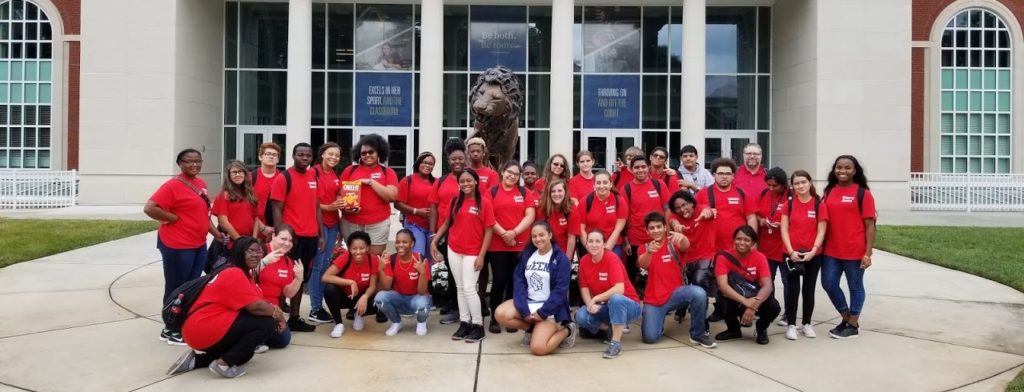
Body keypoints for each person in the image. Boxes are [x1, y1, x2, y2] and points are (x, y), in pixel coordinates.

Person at [166, 236, 284, 378]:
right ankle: (223, 364)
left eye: (259, 252)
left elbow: (257, 303)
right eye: (250, 251)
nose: (256, 255)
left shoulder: (241, 272)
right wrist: (279, 315)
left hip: (201, 327)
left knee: (244, 354)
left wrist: (273, 310)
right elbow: (256, 307)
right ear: (240, 252)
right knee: (266, 324)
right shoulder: (234, 273)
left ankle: (196, 361)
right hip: (202, 326)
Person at [145, 148, 223, 345]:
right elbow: (150, 208)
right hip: (177, 245)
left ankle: (182, 322)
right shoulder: (172, 186)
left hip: (197, 243)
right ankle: (170, 329)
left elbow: (203, 216)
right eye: (189, 161)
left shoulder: (200, 184)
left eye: (198, 161)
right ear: (180, 163)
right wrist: (173, 218)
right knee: (176, 287)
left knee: (192, 286)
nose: (194, 164)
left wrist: (217, 235)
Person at [430, 168, 494, 342]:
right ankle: (465, 323)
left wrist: (481, 255)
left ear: (476, 182)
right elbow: (446, 224)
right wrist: (435, 241)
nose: (466, 184)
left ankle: (478, 326)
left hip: (473, 252)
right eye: (462, 181)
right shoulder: (455, 201)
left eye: (469, 181)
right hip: (454, 249)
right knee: (459, 288)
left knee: (469, 288)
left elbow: (489, 231)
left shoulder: (485, 203)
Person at [495, 221, 578, 356]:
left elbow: (560, 291)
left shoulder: (560, 259)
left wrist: (543, 312)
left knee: (538, 349)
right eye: (534, 236)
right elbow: (519, 282)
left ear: (550, 235)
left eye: (541, 235)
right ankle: (532, 329)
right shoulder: (527, 255)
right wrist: (524, 311)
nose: (538, 239)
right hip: (530, 303)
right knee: (501, 313)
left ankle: (567, 330)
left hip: (550, 310)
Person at [637, 212, 716, 348]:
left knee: (699, 293)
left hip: (676, 294)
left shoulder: (673, 243)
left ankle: (698, 334)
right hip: (653, 300)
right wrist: (649, 252)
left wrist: (683, 237)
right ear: (647, 231)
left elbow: (685, 245)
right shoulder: (644, 248)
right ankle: (657, 321)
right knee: (650, 338)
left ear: (665, 228)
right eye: (652, 228)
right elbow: (643, 264)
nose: (656, 230)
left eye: (659, 227)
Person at [821, 155, 876, 339]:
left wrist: (867, 253)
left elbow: (870, 225)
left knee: (855, 286)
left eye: (847, 168)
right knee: (828, 283)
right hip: (831, 250)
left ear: (854, 171)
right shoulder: (829, 190)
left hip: (854, 251)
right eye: (839, 167)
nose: (842, 171)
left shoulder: (863, 193)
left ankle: (852, 325)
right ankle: (848, 318)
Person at [269, 143, 321, 333]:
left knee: (300, 278)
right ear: (293, 156)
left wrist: (321, 234)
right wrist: (281, 237)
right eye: (301, 154)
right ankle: (277, 317)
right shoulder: (284, 178)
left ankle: (295, 318)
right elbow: (276, 208)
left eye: (308, 155)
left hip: (311, 236)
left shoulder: (313, 176)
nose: (305, 158)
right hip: (292, 238)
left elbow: (316, 207)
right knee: (283, 277)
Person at [485, 160, 537, 334]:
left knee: (515, 282)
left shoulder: (524, 192)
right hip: (496, 245)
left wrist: (513, 233)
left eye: (516, 174)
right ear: (502, 171)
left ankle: (510, 318)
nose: (512, 176)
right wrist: (505, 235)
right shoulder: (491, 192)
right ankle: (494, 318)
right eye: (509, 172)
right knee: (499, 280)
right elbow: (488, 216)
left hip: (519, 245)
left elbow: (530, 215)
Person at [575, 230, 642, 359]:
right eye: (591, 241)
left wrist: (595, 298)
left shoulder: (611, 258)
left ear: (604, 244)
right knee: (581, 316)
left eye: (598, 241)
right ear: (586, 244)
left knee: (615, 299)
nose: (594, 245)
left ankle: (615, 344)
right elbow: (584, 287)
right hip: (606, 306)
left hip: (629, 306)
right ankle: (608, 329)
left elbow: (619, 289)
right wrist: (589, 304)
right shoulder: (584, 261)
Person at [429, 139, 475, 325]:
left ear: (466, 160)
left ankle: (458, 309)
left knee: (464, 275)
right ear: (448, 161)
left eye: (460, 159)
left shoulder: (470, 180)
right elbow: (433, 208)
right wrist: (433, 235)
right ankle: (453, 304)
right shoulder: (440, 181)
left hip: (466, 233)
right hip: (444, 233)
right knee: (450, 271)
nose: (457, 162)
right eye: (453, 159)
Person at [780, 170, 828, 340]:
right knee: (793, 290)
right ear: (792, 186)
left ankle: (807, 323)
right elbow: (784, 229)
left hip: (813, 255)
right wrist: (791, 251)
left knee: (809, 290)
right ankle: (791, 324)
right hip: (791, 254)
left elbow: (821, 231)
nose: (800, 186)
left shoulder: (818, 204)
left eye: (803, 182)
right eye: (796, 183)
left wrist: (813, 251)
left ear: (809, 183)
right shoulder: (789, 204)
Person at [714, 226, 781, 345]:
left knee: (774, 306)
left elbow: (768, 286)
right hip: (735, 298)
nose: (741, 243)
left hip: (754, 297)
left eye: (746, 240)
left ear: (753, 243)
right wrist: (745, 301)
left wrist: (752, 306)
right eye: (738, 239)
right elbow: (723, 285)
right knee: (721, 299)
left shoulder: (760, 257)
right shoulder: (723, 257)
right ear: (733, 240)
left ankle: (761, 329)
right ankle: (733, 329)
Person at [340, 133, 399, 256]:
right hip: (351, 222)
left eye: (371, 152)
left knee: (374, 260)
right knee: (354, 258)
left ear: (379, 153)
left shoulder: (387, 172)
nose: (367, 155)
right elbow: (339, 195)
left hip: (378, 223)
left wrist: (370, 182)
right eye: (363, 153)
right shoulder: (350, 170)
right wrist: (346, 207)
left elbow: (392, 196)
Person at [667, 190, 717, 322]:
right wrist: (677, 226)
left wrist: (706, 214)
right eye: (678, 208)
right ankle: (682, 307)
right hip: (685, 258)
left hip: (705, 255)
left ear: (691, 203)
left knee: (699, 281)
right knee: (682, 284)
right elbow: (672, 221)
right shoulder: (675, 216)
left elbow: (709, 211)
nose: (682, 209)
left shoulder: (702, 209)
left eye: (684, 205)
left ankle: (701, 322)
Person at [621, 155, 672, 286]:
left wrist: (668, 232)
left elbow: (667, 209)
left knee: (660, 269)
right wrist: (625, 240)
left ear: (648, 168)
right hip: (635, 238)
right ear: (631, 170)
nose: (640, 170)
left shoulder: (658, 184)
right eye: (636, 167)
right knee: (632, 271)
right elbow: (624, 216)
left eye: (643, 166)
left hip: (658, 237)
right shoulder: (626, 189)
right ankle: (633, 299)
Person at [308, 142, 344, 324]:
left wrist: (342, 202)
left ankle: (320, 305)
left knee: (324, 266)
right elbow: (308, 200)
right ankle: (315, 308)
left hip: (332, 224)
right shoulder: (312, 173)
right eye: (330, 154)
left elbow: (337, 195)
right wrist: (328, 206)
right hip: (317, 225)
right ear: (322, 154)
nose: (333, 158)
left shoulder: (335, 174)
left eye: (337, 156)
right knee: (317, 266)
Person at [321, 231, 382, 338]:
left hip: (361, 297)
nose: (358, 252)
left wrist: (365, 297)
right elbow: (325, 277)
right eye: (354, 248)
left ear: (367, 248)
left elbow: (373, 286)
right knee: (329, 289)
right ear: (349, 248)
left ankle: (358, 313)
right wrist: (351, 282)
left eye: (362, 248)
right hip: (345, 296)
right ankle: (339, 324)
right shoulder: (345, 257)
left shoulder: (373, 259)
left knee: (376, 302)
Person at [375, 229, 432, 336]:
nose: (400, 245)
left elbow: (421, 291)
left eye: (405, 242)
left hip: (416, 298)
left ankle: (421, 322)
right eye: (398, 242)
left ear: (412, 243)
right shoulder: (391, 259)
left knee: (422, 303)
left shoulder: (420, 260)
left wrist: (423, 273)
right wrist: (380, 270)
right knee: (380, 298)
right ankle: (396, 322)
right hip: (399, 298)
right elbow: (386, 287)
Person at [255, 225, 303, 351]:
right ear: (274, 236)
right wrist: (264, 262)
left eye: (290, 240)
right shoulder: (259, 252)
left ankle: (260, 336)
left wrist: (299, 279)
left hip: (273, 311)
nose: (287, 243)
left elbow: (288, 292)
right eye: (283, 239)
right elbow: (243, 274)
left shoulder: (287, 261)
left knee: (283, 340)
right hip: (253, 308)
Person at [757, 167, 790, 326]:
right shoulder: (764, 194)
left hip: (785, 247)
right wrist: (761, 221)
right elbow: (756, 213)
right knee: (767, 281)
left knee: (788, 281)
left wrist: (784, 224)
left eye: (775, 186)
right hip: (766, 246)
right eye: (768, 185)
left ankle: (789, 312)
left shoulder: (792, 196)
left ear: (784, 184)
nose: (771, 188)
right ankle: (768, 309)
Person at [576, 171, 627, 260]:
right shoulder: (586, 201)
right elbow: (581, 229)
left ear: (611, 184)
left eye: (605, 182)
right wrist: (590, 248)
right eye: (598, 183)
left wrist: (606, 248)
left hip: (613, 244)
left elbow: (618, 229)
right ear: (594, 185)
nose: (602, 186)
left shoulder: (619, 201)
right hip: (591, 244)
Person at [395, 152, 437, 260]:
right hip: (414, 224)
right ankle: (414, 276)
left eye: (431, 164)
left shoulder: (437, 182)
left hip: (432, 227)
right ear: (418, 163)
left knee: (429, 259)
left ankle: (426, 277)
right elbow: (397, 203)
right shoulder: (408, 180)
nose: (427, 166)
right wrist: (416, 211)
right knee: (418, 256)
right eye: (424, 162)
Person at [212, 160, 259, 245]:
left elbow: (256, 218)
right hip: (233, 243)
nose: (237, 174)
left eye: (240, 172)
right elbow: (223, 222)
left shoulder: (251, 193)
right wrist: (239, 241)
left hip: (249, 241)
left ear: (245, 174)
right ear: (229, 176)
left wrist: (253, 240)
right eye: (234, 172)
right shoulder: (223, 195)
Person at [537, 179, 578, 258]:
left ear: (565, 192)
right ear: (549, 193)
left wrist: (567, 260)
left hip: (563, 253)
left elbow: (571, 238)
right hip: (545, 252)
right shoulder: (542, 209)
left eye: (560, 191)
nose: (556, 194)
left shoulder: (572, 209)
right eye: (553, 191)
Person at [251, 142, 282, 239]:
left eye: (274, 155)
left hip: (276, 231)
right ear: (260, 157)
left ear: (278, 159)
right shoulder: (250, 177)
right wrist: (262, 228)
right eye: (268, 154)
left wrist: (276, 229)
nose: (271, 157)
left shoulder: (283, 178)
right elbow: (245, 207)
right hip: (253, 230)